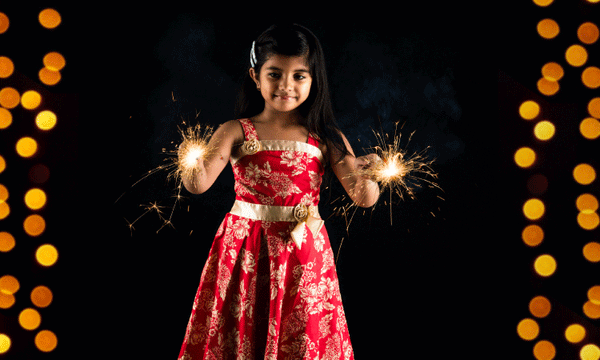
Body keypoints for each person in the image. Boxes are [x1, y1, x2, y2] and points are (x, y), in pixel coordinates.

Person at [178, 23, 380, 360]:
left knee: (301, 334)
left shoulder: (324, 137)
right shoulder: (235, 131)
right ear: (256, 77)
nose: (286, 85)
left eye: (299, 76)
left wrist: (370, 176)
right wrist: (190, 162)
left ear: (314, 81)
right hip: (246, 249)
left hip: (303, 252)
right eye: (275, 74)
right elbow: (198, 184)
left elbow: (364, 197)